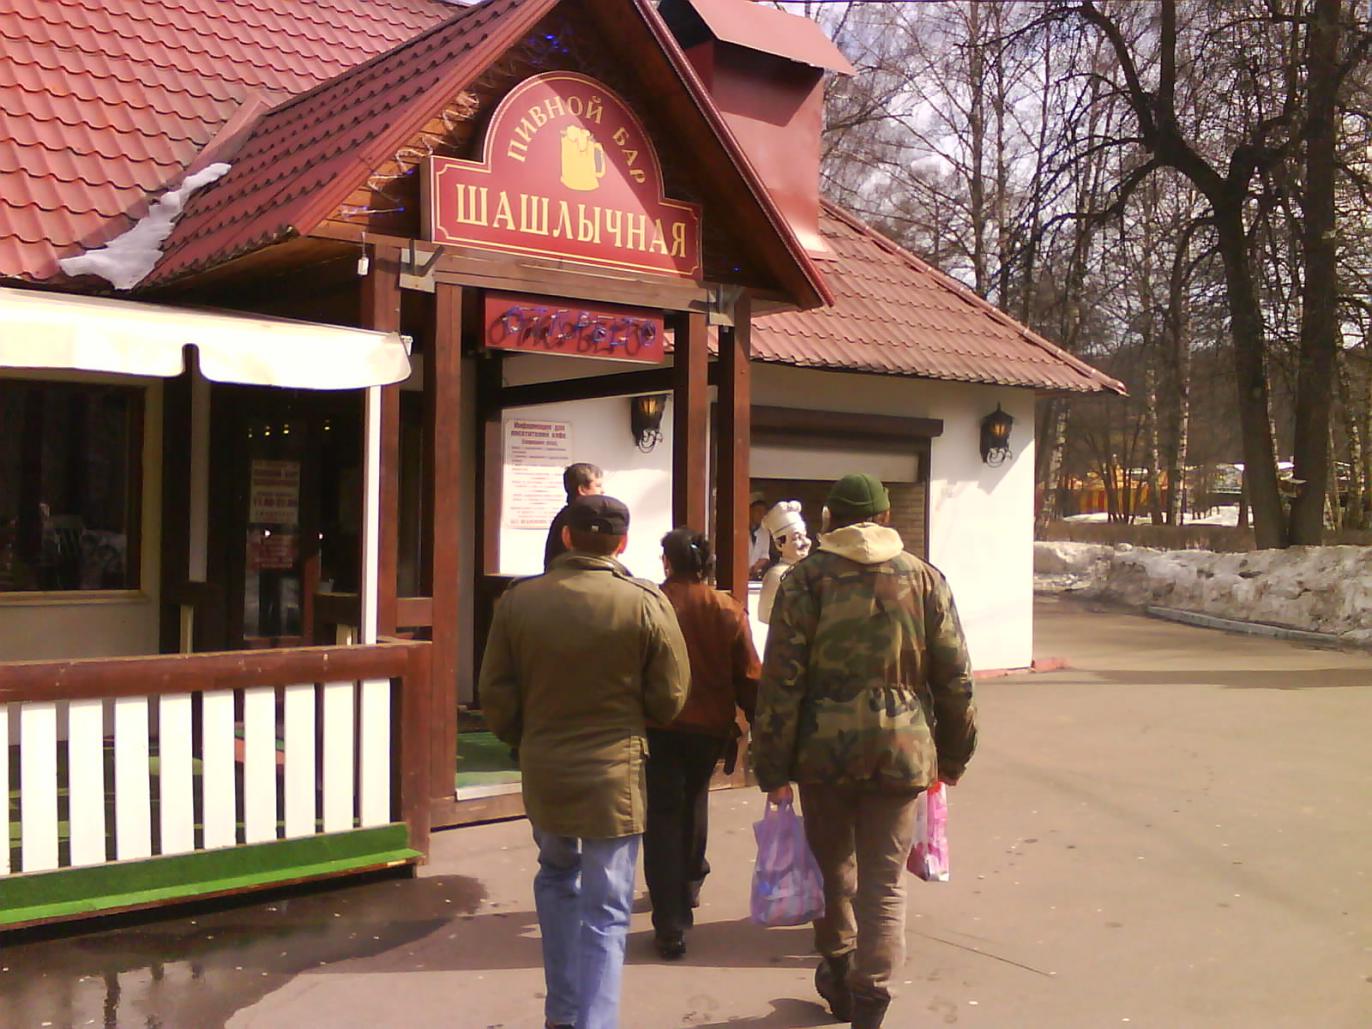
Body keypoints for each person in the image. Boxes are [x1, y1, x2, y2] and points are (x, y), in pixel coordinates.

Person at [751, 473, 977, 1029]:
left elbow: (781, 682)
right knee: (885, 882)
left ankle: (838, 966)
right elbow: (955, 676)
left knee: (833, 870)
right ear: (885, 517)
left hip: (822, 752)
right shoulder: (924, 578)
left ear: (830, 519)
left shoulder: (805, 581)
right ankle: (871, 997)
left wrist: (771, 766)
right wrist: (953, 755)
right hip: (902, 750)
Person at [480, 495, 690, 1029]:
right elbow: (670, 698)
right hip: (615, 771)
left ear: (567, 537)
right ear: (622, 544)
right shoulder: (643, 602)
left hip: (546, 764)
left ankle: (562, 1012)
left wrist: (525, 736)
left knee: (555, 875)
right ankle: (596, 1020)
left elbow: (497, 695)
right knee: (607, 906)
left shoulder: (519, 601)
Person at [646, 526, 761, 961]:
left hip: (658, 724)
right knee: (694, 800)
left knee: (661, 815)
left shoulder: (651, 604)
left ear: (667, 562)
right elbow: (749, 675)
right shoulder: (727, 609)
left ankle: (669, 921)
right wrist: (758, 724)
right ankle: (691, 879)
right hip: (709, 728)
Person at [757, 500, 810, 623]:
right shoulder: (776, 575)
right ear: (779, 544)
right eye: (796, 538)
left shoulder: (809, 570)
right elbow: (765, 615)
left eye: (805, 536)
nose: (805, 542)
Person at [544, 461, 604, 568]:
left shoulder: (564, 515)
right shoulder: (580, 518)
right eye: (598, 486)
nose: (603, 491)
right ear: (582, 489)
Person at [747, 492, 772, 579]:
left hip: (752, 576)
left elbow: (764, 555)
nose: (761, 514)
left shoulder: (764, 532)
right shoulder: (739, 531)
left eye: (763, 512)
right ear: (749, 510)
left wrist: (754, 569)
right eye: (758, 511)